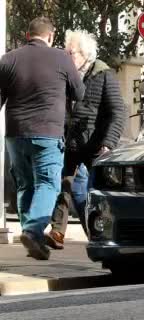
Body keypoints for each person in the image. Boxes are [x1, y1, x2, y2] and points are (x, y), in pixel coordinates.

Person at [0, 17, 85, 260]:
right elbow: (79, 92)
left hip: (15, 134)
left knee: (26, 184)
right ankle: (32, 230)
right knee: (48, 184)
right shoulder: (61, 58)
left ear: (28, 36)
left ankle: (34, 239)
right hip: (47, 133)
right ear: (50, 36)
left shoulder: (9, 58)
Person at [45, 30, 126, 249]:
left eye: (70, 52)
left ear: (84, 54)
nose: (65, 55)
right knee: (63, 186)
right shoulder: (66, 75)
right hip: (69, 142)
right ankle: (57, 232)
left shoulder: (103, 74)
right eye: (65, 50)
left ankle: (105, 235)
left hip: (95, 145)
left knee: (100, 193)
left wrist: (108, 143)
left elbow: (118, 111)